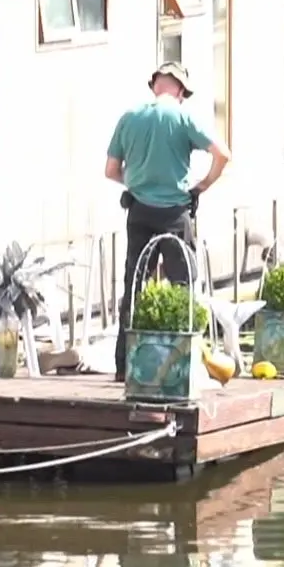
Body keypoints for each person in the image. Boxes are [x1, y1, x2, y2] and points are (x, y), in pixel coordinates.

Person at [106, 62, 230, 380]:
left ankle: (124, 366)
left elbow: (111, 170)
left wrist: (136, 182)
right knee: (183, 288)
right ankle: (182, 365)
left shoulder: (129, 118)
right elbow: (223, 155)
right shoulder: (184, 118)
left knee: (135, 287)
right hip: (175, 213)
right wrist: (201, 186)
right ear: (179, 90)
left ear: (155, 86)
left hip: (139, 213)